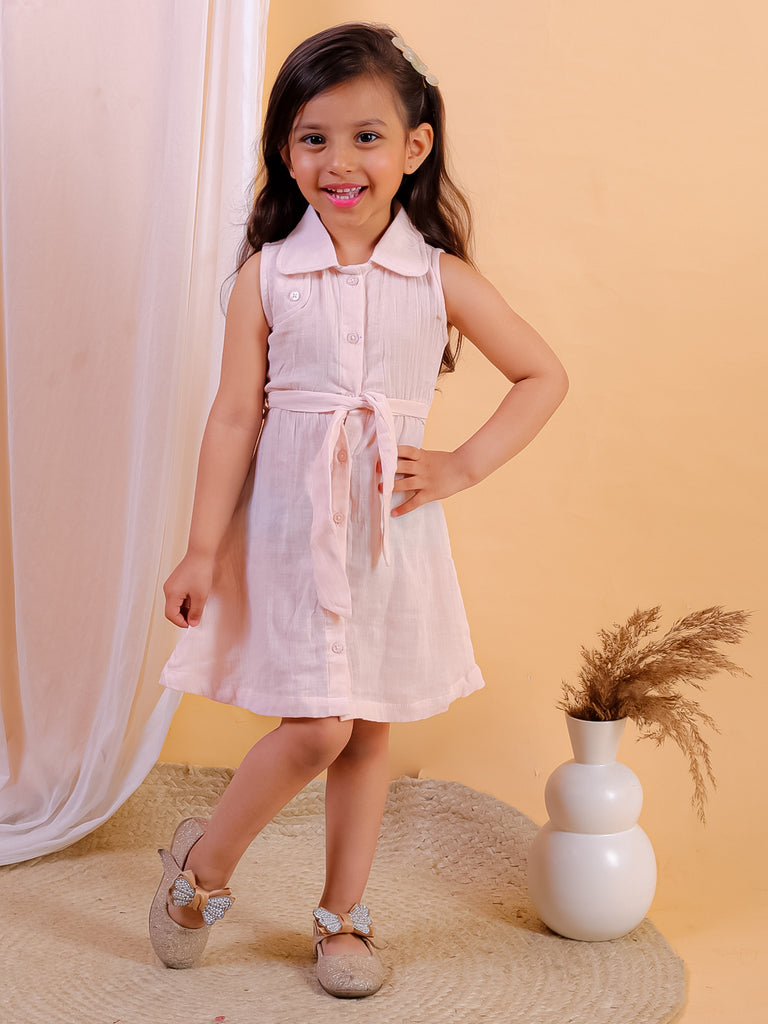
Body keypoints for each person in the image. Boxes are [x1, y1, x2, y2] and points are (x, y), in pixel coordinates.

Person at [148, 22, 568, 998]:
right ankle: (203, 868)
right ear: (285, 150)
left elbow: (542, 374)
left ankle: (342, 918)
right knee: (319, 725)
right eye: (313, 138)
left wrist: (461, 465)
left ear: (414, 147)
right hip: (293, 530)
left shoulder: (438, 276)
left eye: (366, 137)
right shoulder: (268, 275)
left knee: (367, 726)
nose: (339, 162)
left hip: (389, 535)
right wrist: (201, 548)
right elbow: (233, 415)